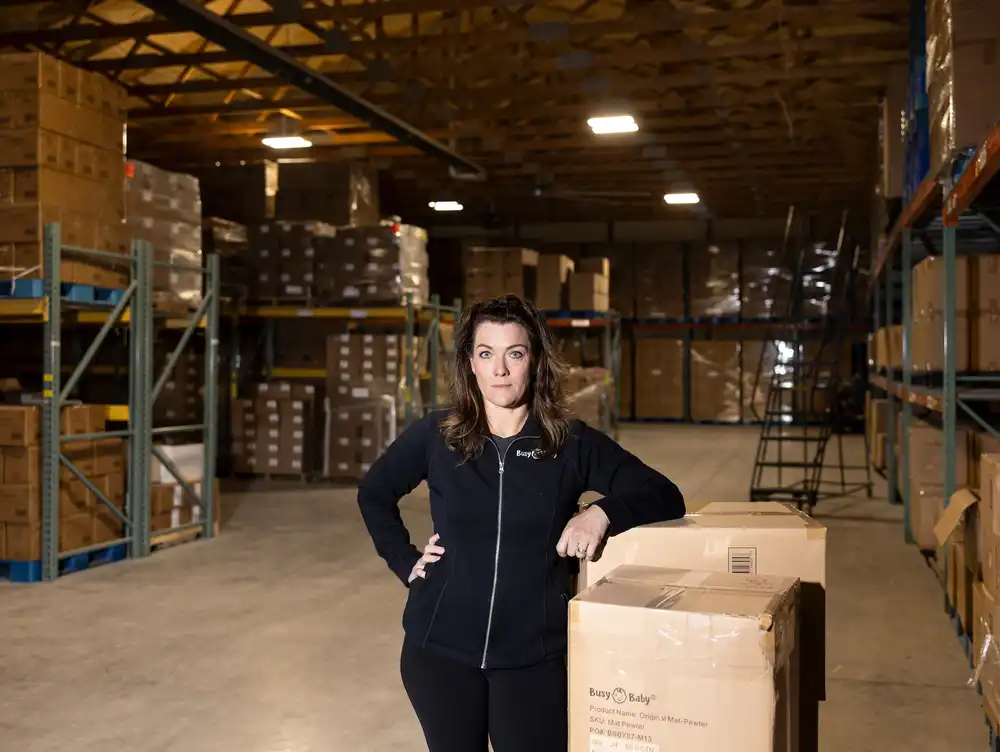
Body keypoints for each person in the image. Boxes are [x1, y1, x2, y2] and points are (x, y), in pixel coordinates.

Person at [357, 294, 685, 752]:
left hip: (534, 657)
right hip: (440, 652)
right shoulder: (439, 435)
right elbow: (374, 492)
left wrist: (602, 512)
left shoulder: (568, 442)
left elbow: (664, 493)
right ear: (470, 362)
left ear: (535, 361)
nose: (500, 370)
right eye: (486, 354)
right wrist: (404, 560)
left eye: (515, 353)